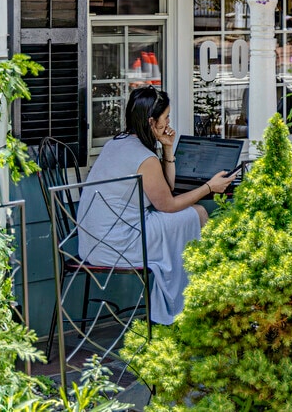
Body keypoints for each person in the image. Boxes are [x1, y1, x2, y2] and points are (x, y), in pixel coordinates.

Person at [76, 86, 237, 325]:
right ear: (152, 121)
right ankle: (197, 303)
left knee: (188, 217)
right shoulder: (144, 157)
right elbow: (168, 205)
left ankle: (192, 301)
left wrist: (168, 148)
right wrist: (209, 188)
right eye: (166, 118)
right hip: (121, 243)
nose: (169, 122)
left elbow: (166, 189)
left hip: (91, 244)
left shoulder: (116, 144)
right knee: (199, 213)